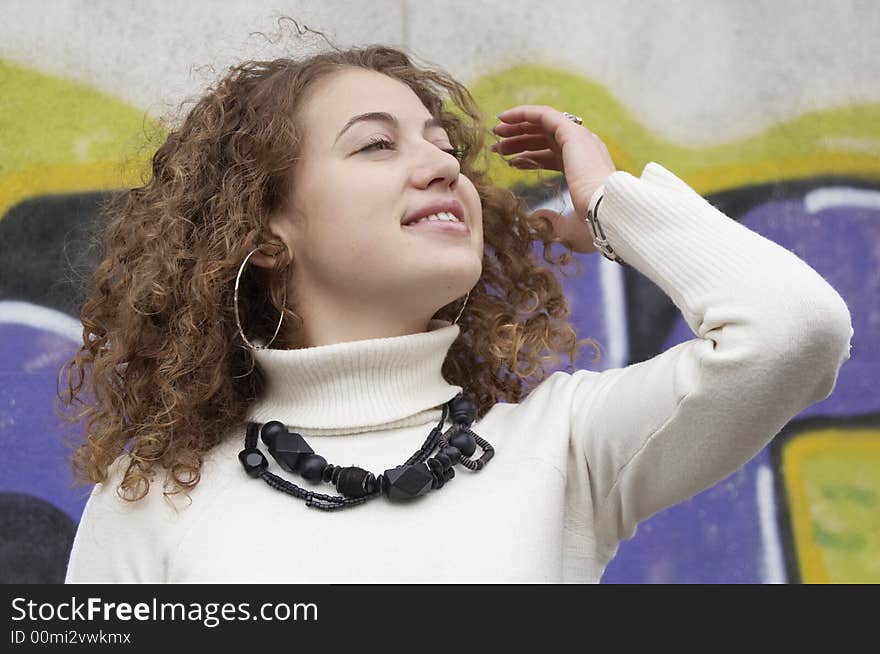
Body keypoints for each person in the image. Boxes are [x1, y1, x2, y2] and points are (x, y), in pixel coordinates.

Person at [60, 43, 853, 583]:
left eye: (444, 147)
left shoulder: (564, 448)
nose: (441, 165)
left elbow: (795, 332)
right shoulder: (152, 496)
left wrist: (616, 207)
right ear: (264, 230)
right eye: (376, 145)